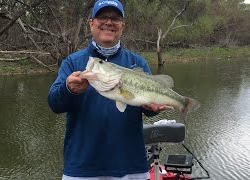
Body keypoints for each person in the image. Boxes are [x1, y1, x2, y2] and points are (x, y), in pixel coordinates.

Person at [47, 0, 167, 179]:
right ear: (91, 24)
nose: (109, 22)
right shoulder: (73, 62)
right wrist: (68, 89)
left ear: (122, 26)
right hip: (82, 168)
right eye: (102, 17)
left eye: (115, 18)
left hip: (131, 166)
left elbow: (147, 108)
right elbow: (54, 104)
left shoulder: (137, 63)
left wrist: (150, 108)